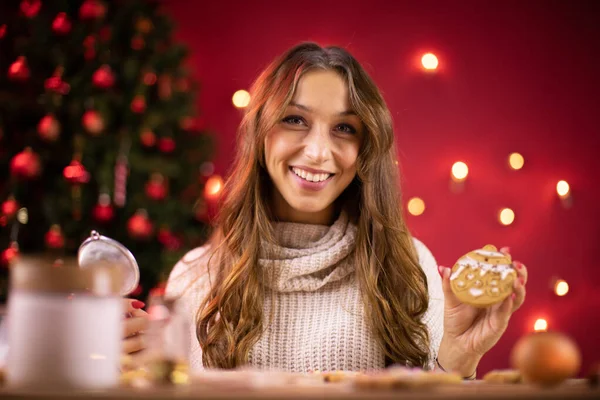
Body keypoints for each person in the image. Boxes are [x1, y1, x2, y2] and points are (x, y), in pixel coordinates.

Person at [123, 42, 528, 377]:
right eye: (295, 119)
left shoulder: (408, 266)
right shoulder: (195, 277)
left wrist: (457, 359)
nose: (318, 152)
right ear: (260, 133)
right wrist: (130, 363)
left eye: (344, 128)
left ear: (366, 147)